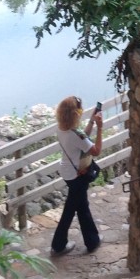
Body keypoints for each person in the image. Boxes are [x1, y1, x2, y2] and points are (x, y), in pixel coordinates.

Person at [51, 95, 102, 256]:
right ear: (75, 114)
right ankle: (58, 245)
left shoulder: (61, 129)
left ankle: (92, 241)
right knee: (71, 210)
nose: (81, 113)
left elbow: (82, 138)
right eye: (79, 110)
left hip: (67, 172)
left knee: (81, 207)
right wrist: (100, 127)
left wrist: (92, 122)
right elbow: (96, 151)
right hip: (77, 175)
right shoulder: (75, 134)